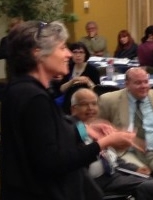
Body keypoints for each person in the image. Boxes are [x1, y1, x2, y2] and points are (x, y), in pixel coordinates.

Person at [1, 20, 135, 200]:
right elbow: (54, 162)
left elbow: (53, 133)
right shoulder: (34, 98)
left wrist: (85, 129)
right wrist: (104, 143)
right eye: (62, 47)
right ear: (38, 53)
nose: (69, 54)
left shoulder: (21, 88)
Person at [98, 67, 153, 180]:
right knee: (140, 179)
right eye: (138, 83)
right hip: (126, 153)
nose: (144, 86)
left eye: (146, 81)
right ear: (127, 84)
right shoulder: (109, 100)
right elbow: (99, 128)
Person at [70, 88, 150, 196]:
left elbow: (110, 158)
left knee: (152, 182)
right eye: (85, 104)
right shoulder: (73, 130)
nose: (90, 108)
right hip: (95, 183)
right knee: (151, 188)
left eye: (94, 104)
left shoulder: (99, 127)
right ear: (74, 109)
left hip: (113, 174)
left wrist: (135, 168)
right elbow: (82, 152)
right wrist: (108, 140)